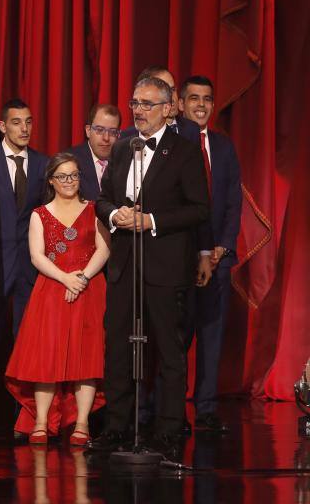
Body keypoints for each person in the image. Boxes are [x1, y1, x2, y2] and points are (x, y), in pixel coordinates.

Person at [90, 77, 211, 455]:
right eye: (135, 103)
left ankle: (169, 429)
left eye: (146, 104)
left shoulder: (186, 152)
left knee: (169, 351)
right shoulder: (124, 147)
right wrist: (116, 216)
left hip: (165, 265)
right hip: (125, 264)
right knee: (119, 347)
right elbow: (102, 199)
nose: (138, 110)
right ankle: (116, 427)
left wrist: (151, 220)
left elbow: (199, 209)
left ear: (167, 108)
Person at [5, 152, 110, 445]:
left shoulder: (94, 209)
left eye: (74, 175)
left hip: (89, 290)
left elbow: (103, 249)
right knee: (46, 359)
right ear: (51, 180)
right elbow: (36, 256)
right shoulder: (40, 214)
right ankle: (41, 422)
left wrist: (82, 278)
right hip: (51, 291)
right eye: (62, 176)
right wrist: (65, 278)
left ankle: (82, 423)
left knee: (86, 358)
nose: (69, 181)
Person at [0, 99, 48, 437]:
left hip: (32, 268)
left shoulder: (45, 164)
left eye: (29, 122)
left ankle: (26, 417)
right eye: (17, 122)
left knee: (28, 345)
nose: (24, 129)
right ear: (2, 126)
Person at [178, 75, 242, 433]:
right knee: (177, 337)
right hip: (182, 260)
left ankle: (205, 409)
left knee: (212, 336)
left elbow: (233, 201)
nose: (201, 105)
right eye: (194, 99)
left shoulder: (224, 147)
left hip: (219, 259)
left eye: (207, 99)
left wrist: (222, 246)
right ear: (181, 104)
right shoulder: (173, 145)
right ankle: (170, 410)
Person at [120, 66, 200, 145]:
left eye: (172, 90)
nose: (171, 98)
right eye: (164, 92)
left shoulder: (192, 130)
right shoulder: (127, 137)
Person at [68, 104, 122, 201]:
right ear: (88, 131)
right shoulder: (69, 161)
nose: (106, 138)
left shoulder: (126, 161)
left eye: (113, 132)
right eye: (100, 130)